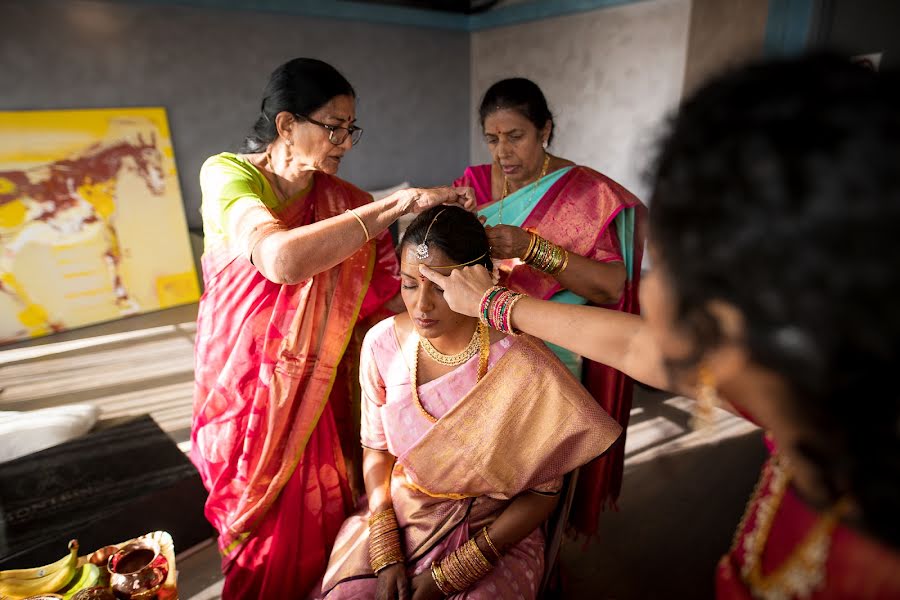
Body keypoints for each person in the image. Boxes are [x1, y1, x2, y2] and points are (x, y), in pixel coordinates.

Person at [424, 54, 900, 598]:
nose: (643, 289)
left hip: (550, 357)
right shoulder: (809, 411)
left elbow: (616, 304)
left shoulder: (873, 554)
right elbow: (634, 342)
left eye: (670, 264)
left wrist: (522, 261)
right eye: (492, 138)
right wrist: (489, 300)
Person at [190, 58, 475, 599]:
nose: (346, 140)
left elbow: (381, 303)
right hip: (246, 387)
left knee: (321, 514)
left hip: (321, 390)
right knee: (260, 530)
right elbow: (279, 259)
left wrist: (456, 314)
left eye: (352, 128)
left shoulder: (346, 204)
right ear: (285, 125)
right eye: (334, 127)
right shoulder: (229, 174)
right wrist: (401, 203)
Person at [317, 206, 622, 599]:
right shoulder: (382, 344)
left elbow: (543, 494)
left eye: (439, 286)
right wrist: (385, 543)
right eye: (410, 284)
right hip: (400, 511)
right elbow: (375, 450)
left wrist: (458, 571)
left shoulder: (521, 361)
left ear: (478, 281)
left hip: (493, 527)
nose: (422, 305)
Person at [455, 78, 647, 531]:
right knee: (480, 486)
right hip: (479, 348)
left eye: (515, 136)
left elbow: (609, 287)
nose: (502, 153)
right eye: (492, 138)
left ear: (545, 129)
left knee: (538, 487)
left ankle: (537, 567)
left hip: (551, 357)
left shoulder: (590, 194)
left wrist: (532, 247)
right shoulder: (476, 183)